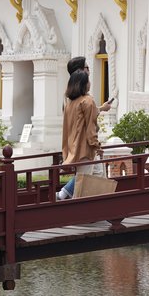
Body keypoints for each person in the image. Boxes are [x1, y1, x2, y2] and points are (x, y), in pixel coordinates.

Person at [57, 69, 111, 200]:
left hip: (73, 147)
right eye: (88, 81)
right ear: (84, 84)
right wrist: (96, 145)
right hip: (85, 148)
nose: (90, 83)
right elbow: (90, 128)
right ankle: (76, 208)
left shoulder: (70, 103)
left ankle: (94, 205)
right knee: (84, 179)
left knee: (96, 174)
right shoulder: (87, 101)